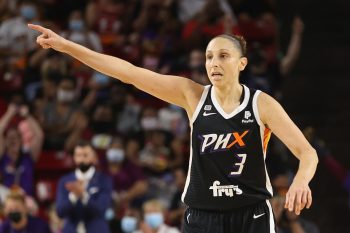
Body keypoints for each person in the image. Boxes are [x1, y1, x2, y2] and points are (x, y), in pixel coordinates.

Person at [28, 23, 318, 233]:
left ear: (242, 63)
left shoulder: (260, 104)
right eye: (208, 56)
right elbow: (129, 73)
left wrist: (301, 180)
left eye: (223, 56)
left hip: (251, 214)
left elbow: (307, 153)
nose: (213, 63)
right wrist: (66, 46)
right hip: (203, 215)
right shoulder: (192, 95)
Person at [55, 141, 113, 233]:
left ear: (94, 157)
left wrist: (84, 196)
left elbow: (101, 209)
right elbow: (60, 212)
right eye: (78, 155)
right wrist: (73, 197)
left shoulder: (104, 180)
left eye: (85, 155)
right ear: (74, 157)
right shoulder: (65, 181)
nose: (81, 159)